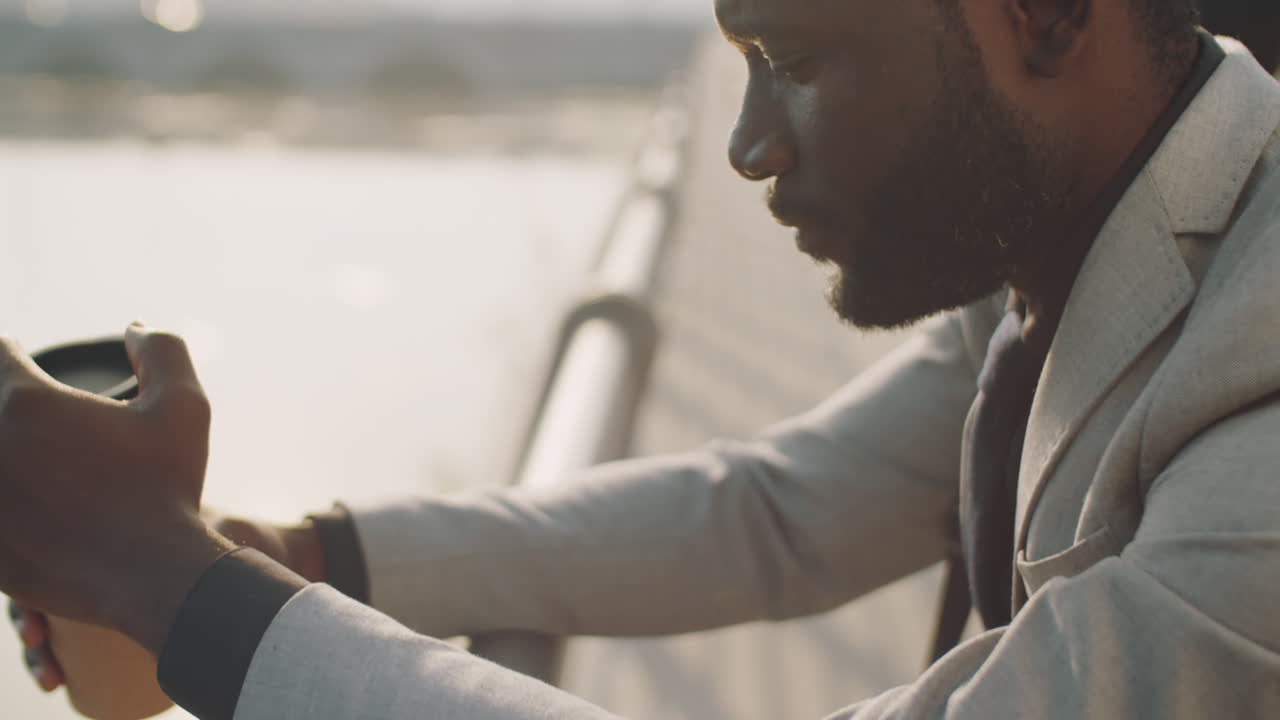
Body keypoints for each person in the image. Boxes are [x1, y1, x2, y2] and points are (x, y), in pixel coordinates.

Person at [3, 0, 1280, 717]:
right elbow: (776, 514)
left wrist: (174, 587)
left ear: (1045, 16)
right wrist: (307, 558)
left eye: (793, 61)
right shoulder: (1055, 233)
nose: (743, 147)